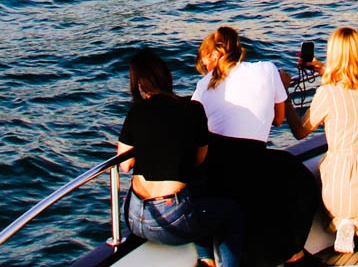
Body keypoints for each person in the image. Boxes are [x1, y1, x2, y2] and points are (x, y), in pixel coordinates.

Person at [193, 27, 322, 267]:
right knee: (296, 176)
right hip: (252, 159)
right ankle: (293, 253)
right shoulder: (267, 70)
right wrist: (281, 87)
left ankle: (208, 258)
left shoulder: (203, 85)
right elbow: (278, 120)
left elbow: (194, 125)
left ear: (216, 54)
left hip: (216, 166)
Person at [116, 48, 245, 267]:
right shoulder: (193, 109)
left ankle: (206, 261)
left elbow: (125, 165)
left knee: (197, 196)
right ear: (168, 77)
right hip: (173, 219)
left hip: (134, 217)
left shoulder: (136, 112)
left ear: (138, 84)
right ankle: (212, 260)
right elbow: (200, 160)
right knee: (230, 212)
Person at [296, 27, 358, 254]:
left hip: (343, 193)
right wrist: (323, 69)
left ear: (334, 55)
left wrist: (282, 95)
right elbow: (352, 90)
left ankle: (344, 223)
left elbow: (300, 132)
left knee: (330, 181)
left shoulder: (327, 93)